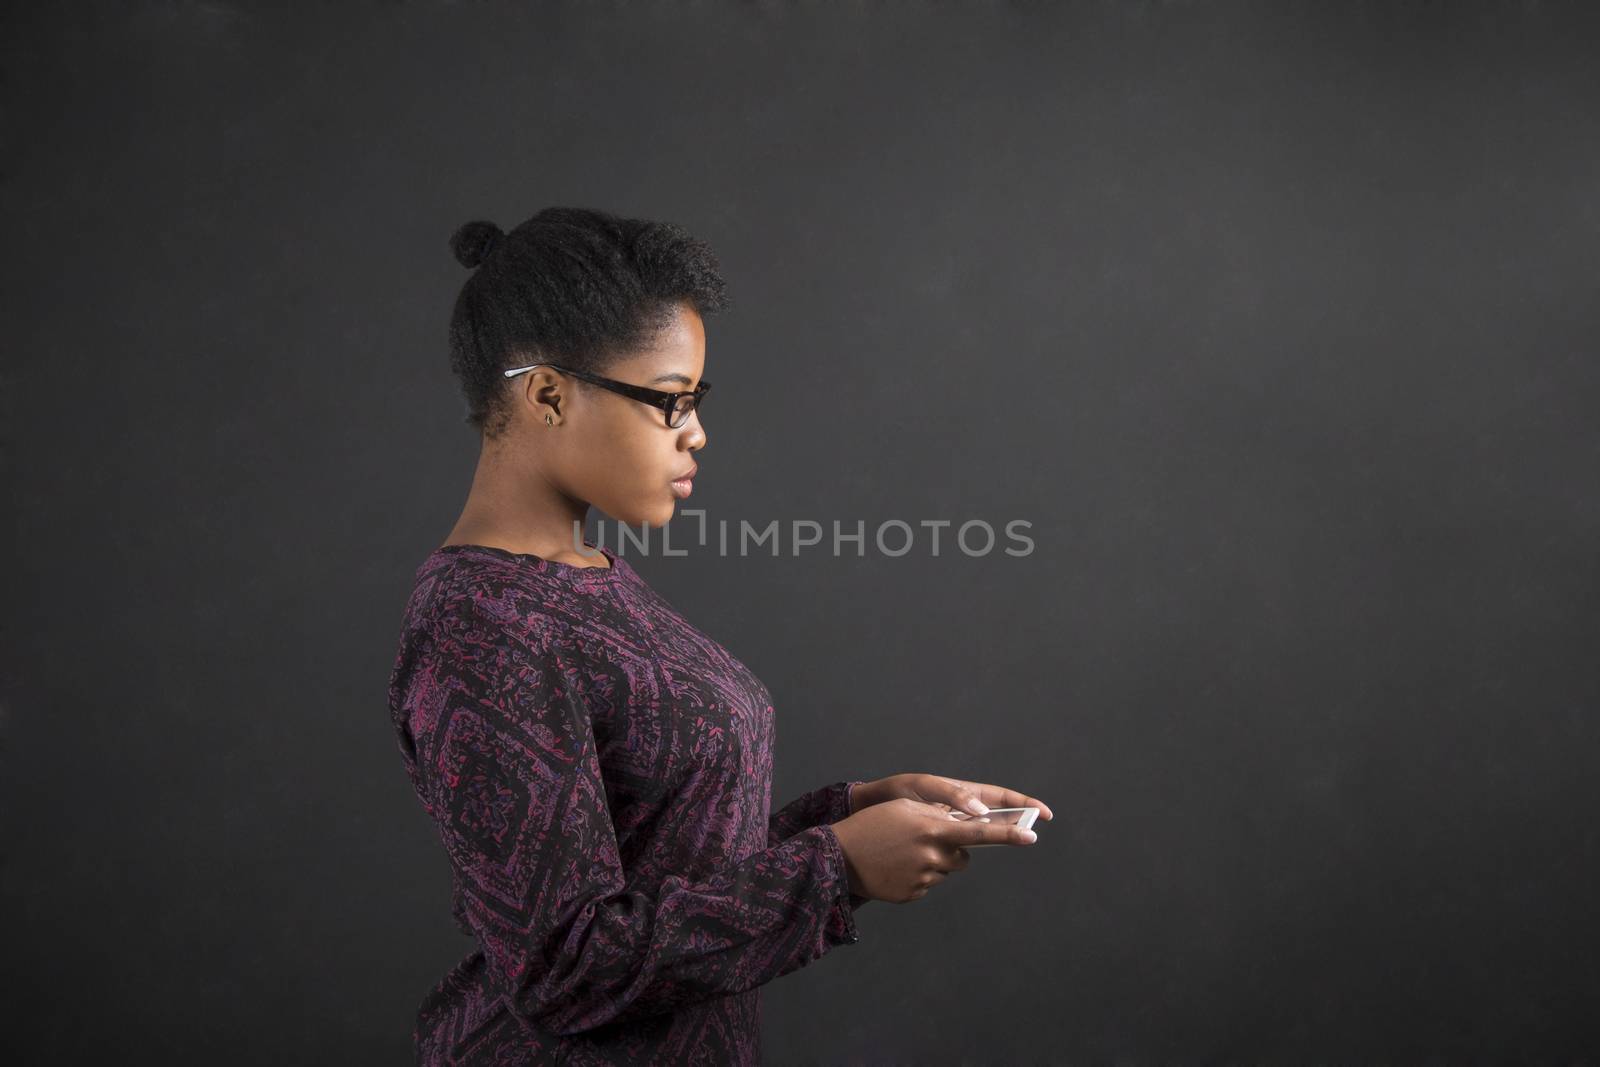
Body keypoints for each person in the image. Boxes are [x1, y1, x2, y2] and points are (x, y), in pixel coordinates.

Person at [386, 206, 1053, 1064]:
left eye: (697, 402)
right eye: (669, 402)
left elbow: (659, 863)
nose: (696, 432)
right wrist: (833, 869)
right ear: (548, 393)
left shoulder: (586, 577)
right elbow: (565, 970)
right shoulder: (480, 624)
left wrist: (854, 814)